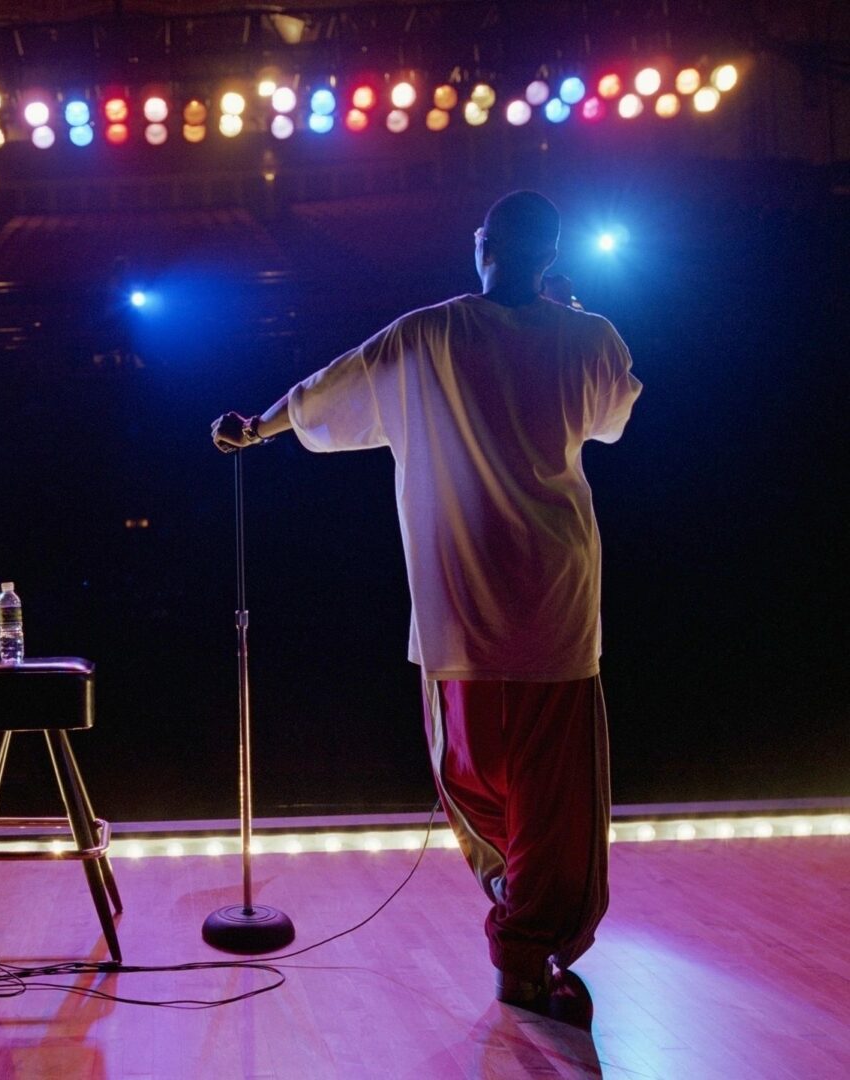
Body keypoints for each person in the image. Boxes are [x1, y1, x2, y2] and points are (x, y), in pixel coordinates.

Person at [211, 191, 641, 1013]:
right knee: (557, 801)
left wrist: (254, 430)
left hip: (464, 607)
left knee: (472, 778)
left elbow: (326, 391)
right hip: (554, 599)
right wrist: (571, 308)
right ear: (549, 255)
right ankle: (528, 948)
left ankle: (518, 935)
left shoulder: (431, 333)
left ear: (483, 244)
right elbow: (615, 414)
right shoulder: (590, 337)